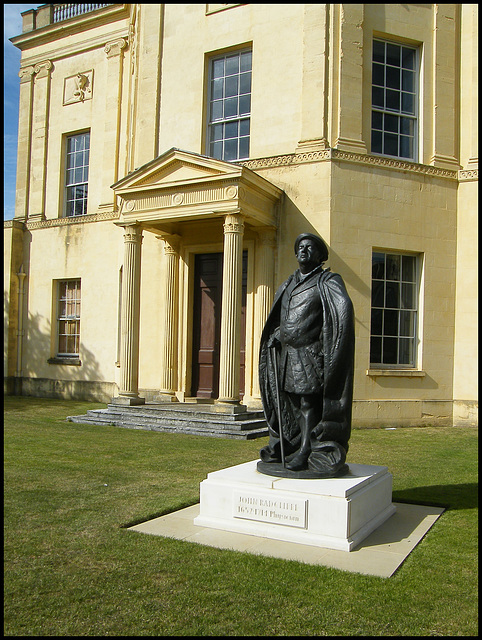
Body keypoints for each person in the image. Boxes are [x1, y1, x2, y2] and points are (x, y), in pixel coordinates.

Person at [258, 233, 355, 477]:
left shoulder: (327, 281)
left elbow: (340, 313)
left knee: (308, 404)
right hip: (288, 355)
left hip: (310, 356)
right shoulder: (289, 283)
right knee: (291, 403)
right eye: (300, 247)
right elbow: (283, 316)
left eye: (310, 247)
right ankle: (292, 443)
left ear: (320, 256)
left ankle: (306, 450)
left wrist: (327, 345)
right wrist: (279, 332)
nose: (303, 250)